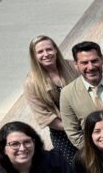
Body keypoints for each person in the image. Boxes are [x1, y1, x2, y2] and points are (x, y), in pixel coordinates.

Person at [24, 35, 80, 163]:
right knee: (74, 172)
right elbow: (44, 116)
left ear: (55, 50)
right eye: (40, 52)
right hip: (62, 134)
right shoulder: (31, 83)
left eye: (49, 49)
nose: (46, 54)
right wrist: (74, 128)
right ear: (34, 56)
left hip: (88, 126)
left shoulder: (73, 66)